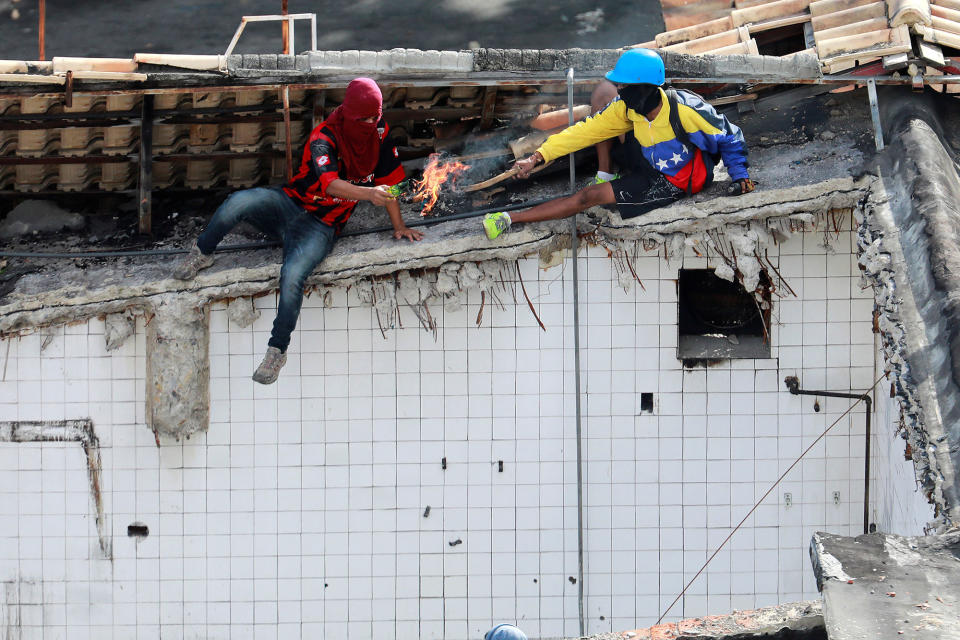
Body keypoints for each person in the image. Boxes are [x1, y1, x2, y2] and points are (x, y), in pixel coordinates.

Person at [173, 77, 423, 384]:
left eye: (376, 116)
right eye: (365, 118)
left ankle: (276, 350)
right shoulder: (324, 137)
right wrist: (370, 194)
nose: (371, 123)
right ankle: (202, 253)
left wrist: (399, 226)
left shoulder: (380, 135)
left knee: (292, 275)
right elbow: (330, 183)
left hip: (322, 226)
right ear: (349, 113)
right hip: (290, 205)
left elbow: (391, 180)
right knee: (237, 203)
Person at [482, 48, 755, 240]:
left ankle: (511, 219)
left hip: (674, 180)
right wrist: (537, 157)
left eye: (624, 87)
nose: (620, 91)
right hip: (646, 160)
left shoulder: (684, 109)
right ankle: (511, 218)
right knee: (601, 93)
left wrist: (740, 175)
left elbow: (729, 136)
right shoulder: (627, 109)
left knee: (590, 197)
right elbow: (584, 132)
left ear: (645, 87)